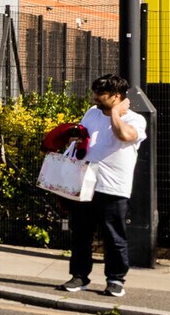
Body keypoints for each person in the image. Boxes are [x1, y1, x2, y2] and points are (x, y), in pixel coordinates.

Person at [60, 73, 147, 298]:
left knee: (114, 236)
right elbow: (83, 135)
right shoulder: (91, 113)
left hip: (113, 187)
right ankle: (79, 276)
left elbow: (124, 135)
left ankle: (116, 279)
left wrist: (116, 114)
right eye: (95, 93)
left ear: (116, 96)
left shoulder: (135, 119)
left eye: (101, 94)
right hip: (85, 183)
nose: (95, 98)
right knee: (81, 234)